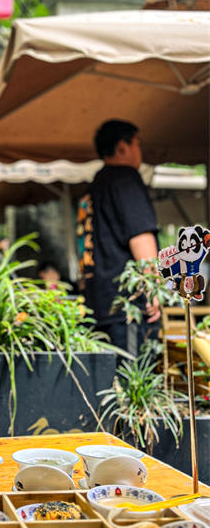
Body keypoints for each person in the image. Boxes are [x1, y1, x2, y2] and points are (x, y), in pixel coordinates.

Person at [76, 119, 159, 355]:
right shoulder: (124, 179)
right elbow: (140, 235)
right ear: (123, 147)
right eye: (137, 144)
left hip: (98, 305)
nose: (139, 151)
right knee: (134, 383)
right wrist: (151, 289)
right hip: (128, 307)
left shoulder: (94, 187)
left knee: (107, 384)